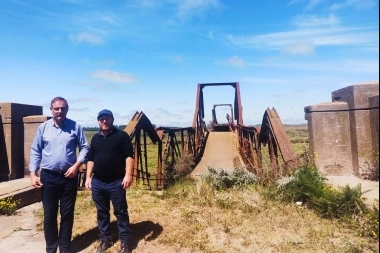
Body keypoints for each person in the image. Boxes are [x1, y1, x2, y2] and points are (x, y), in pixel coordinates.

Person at [29, 96, 89, 253]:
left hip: (69, 177)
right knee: (49, 215)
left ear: (67, 109)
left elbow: (84, 147)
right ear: (51, 110)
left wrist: (77, 165)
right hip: (48, 177)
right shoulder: (43, 128)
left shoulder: (75, 127)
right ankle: (50, 249)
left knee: (67, 214)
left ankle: (64, 248)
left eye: (62, 108)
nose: (59, 111)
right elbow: (35, 150)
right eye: (56, 108)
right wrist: (33, 174)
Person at [85, 109, 134, 253]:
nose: (104, 121)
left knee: (121, 212)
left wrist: (128, 175)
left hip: (116, 182)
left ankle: (125, 242)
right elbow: (91, 159)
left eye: (107, 118)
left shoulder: (122, 136)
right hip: (98, 182)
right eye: (101, 119)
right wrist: (88, 177)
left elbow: (129, 156)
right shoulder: (95, 138)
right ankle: (105, 238)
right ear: (98, 121)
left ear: (112, 120)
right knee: (102, 212)